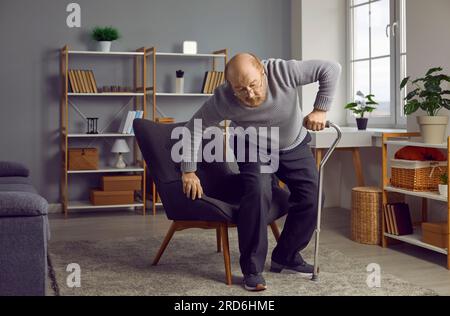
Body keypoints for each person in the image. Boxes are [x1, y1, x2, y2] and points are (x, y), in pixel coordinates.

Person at [180, 53, 341, 291]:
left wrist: (320, 109)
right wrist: (189, 171)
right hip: (252, 145)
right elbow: (193, 128)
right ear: (230, 86)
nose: (250, 94)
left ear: (263, 73)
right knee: (257, 192)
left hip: (292, 143)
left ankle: (286, 255)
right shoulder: (224, 98)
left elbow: (331, 68)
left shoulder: (283, 72)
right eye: (241, 90)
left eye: (253, 85)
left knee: (314, 196)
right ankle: (252, 269)